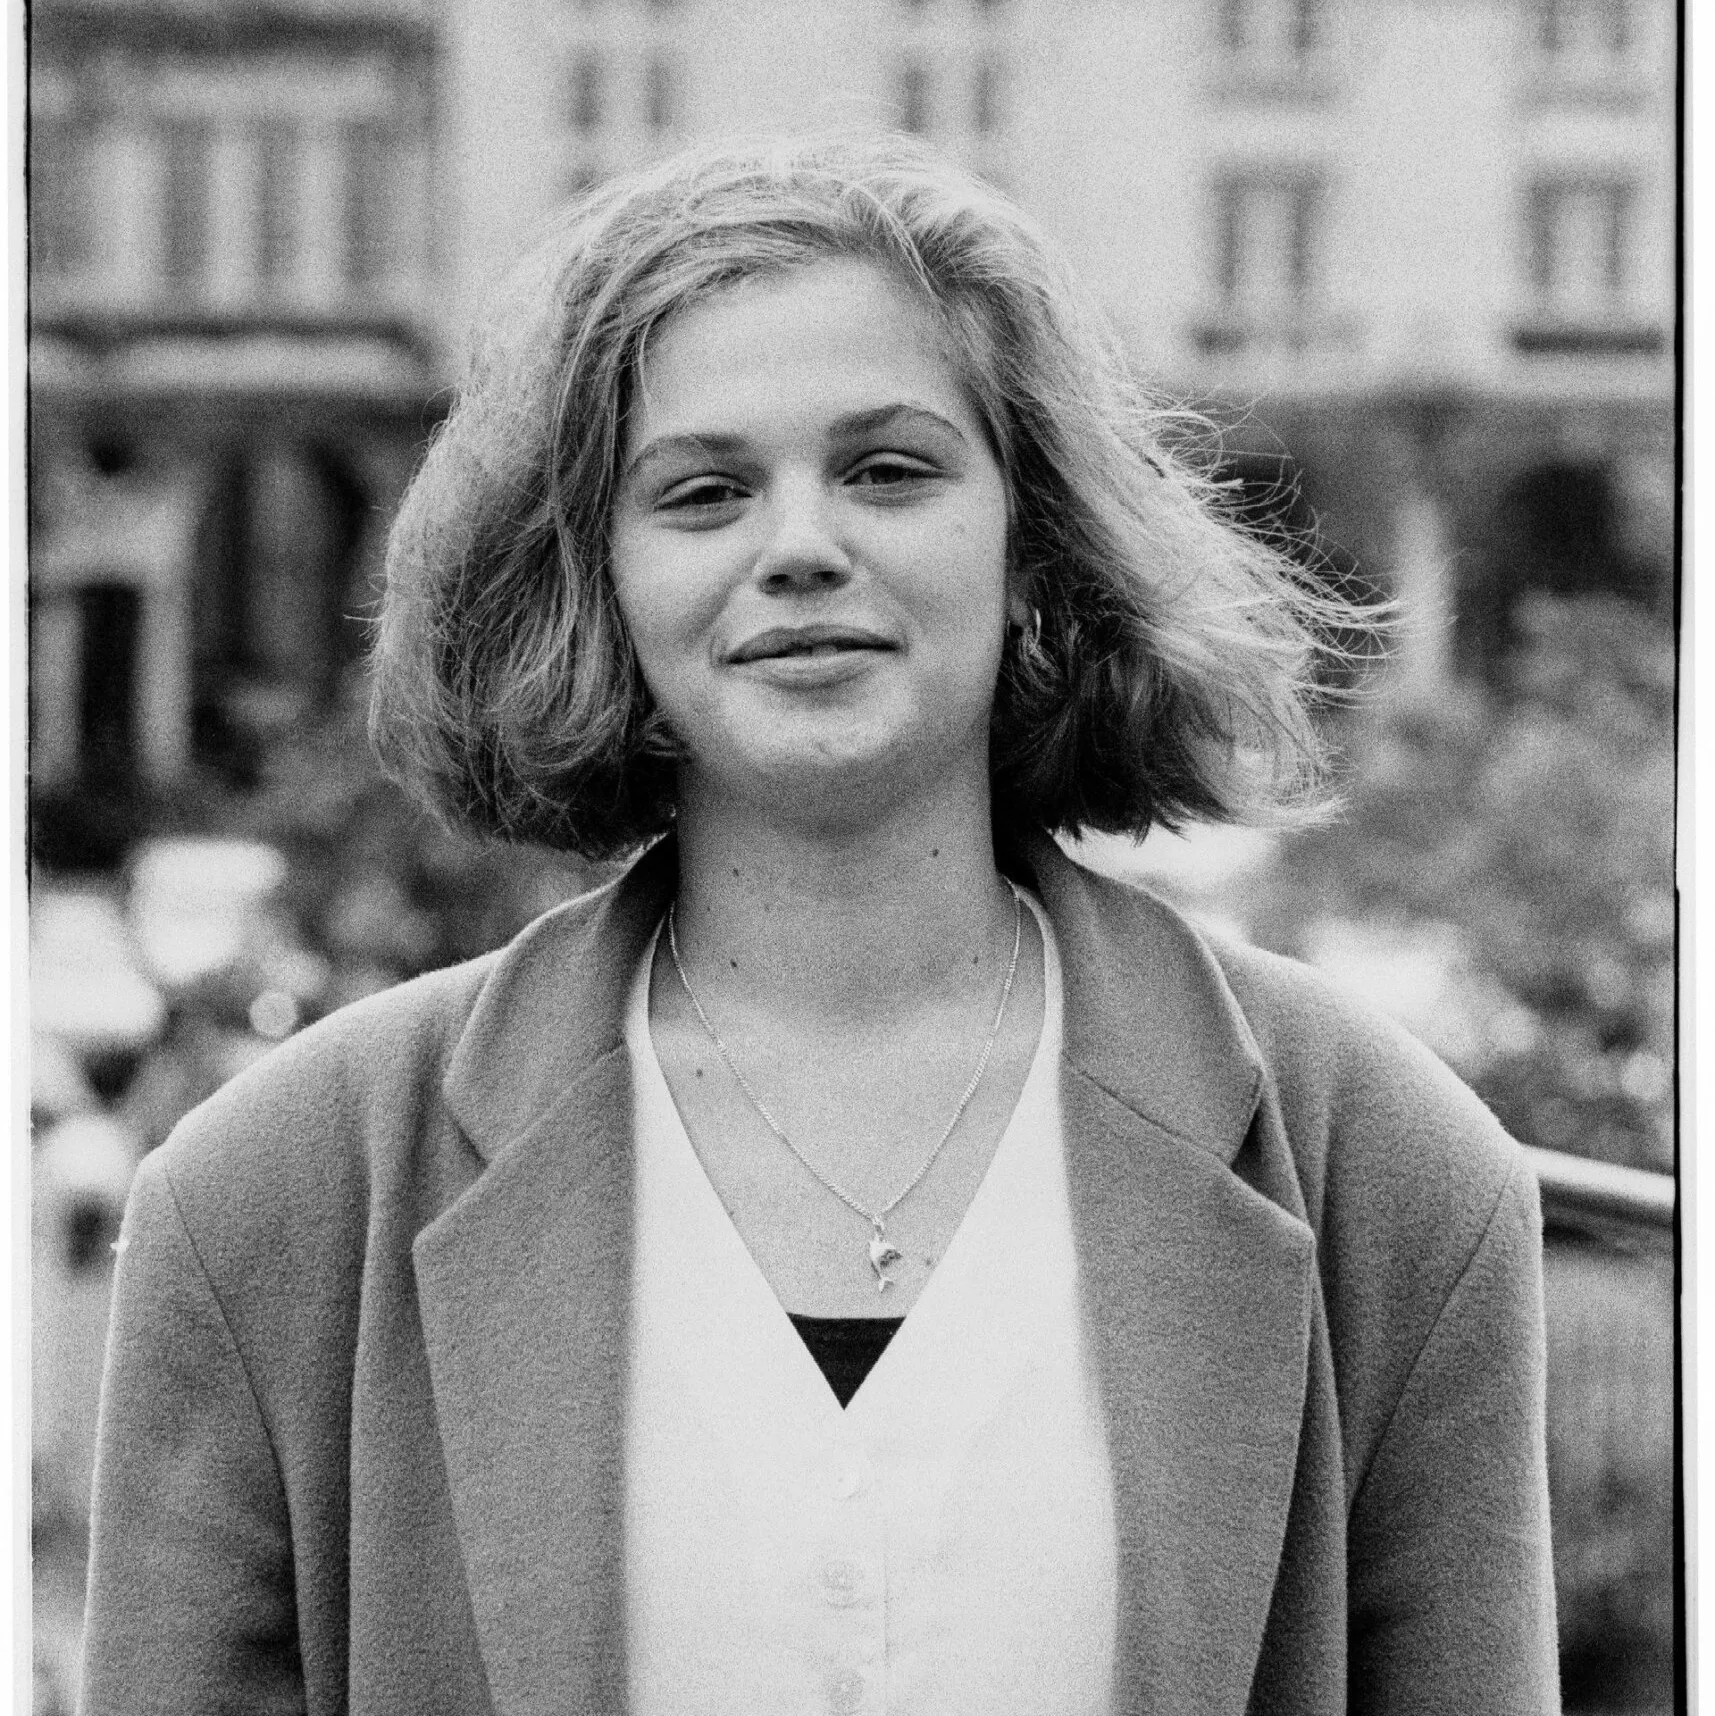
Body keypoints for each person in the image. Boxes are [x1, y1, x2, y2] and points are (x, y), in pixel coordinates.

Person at [80, 136, 1558, 1715]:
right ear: (596, 580)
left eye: (888, 470)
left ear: (1032, 549)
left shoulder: (1382, 1173)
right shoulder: (275, 1205)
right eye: (702, 491)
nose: (799, 546)